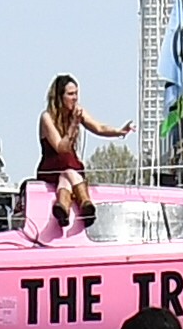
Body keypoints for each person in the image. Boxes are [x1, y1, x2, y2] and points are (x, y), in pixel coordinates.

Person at [38, 71, 134, 230]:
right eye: (70, 94)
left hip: (67, 169)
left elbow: (99, 127)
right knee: (68, 170)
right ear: (59, 97)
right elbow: (61, 148)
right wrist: (74, 124)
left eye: (76, 93)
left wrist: (119, 131)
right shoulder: (47, 117)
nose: (75, 98)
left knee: (66, 176)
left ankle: (62, 208)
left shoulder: (77, 111)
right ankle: (85, 203)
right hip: (52, 166)